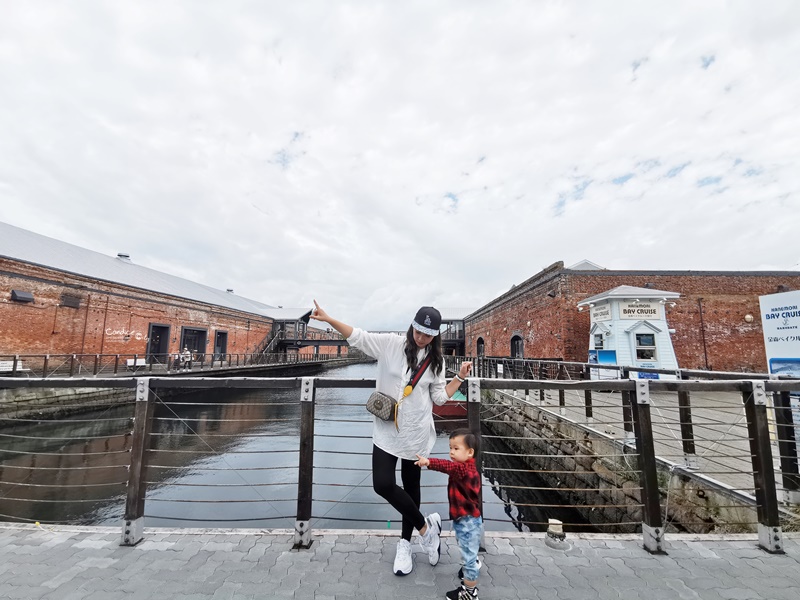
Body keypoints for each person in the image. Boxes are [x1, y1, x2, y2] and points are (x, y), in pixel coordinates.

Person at [310, 300, 472, 576]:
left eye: (427, 335)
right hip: (386, 430)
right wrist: (328, 319)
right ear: (412, 327)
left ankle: (405, 543)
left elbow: (438, 397)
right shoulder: (390, 344)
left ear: (435, 336)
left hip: (416, 432)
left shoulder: (436, 361)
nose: (421, 339)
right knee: (382, 483)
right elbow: (358, 336)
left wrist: (458, 378)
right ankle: (426, 529)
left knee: (412, 487)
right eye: (418, 332)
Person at [416, 429, 482, 600]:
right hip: (467, 519)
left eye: (456, 448)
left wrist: (428, 462)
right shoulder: (469, 468)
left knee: (467, 556)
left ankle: (469, 593)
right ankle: (472, 563)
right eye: (450, 448)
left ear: (470, 452)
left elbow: (447, 466)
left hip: (467, 521)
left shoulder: (462, 470)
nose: (451, 452)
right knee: (466, 549)